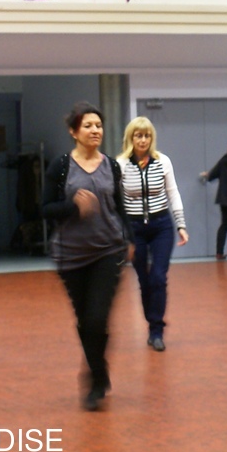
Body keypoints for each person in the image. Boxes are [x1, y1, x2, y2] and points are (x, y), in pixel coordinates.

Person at [42, 102, 133, 411]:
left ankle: (93, 378)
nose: (95, 131)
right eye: (88, 126)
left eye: (98, 125)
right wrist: (73, 206)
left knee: (97, 318)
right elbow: (44, 209)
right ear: (73, 132)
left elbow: (120, 206)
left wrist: (130, 238)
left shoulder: (112, 166)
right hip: (71, 255)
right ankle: (99, 370)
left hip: (108, 250)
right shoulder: (61, 167)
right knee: (85, 320)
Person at [117, 116, 188, 352]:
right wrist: (121, 234)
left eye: (147, 135)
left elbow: (173, 193)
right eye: (138, 135)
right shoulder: (121, 164)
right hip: (134, 229)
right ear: (131, 138)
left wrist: (181, 225)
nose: (143, 140)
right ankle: (151, 320)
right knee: (144, 280)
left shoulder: (162, 161)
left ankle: (156, 330)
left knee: (158, 276)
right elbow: (116, 201)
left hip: (161, 226)